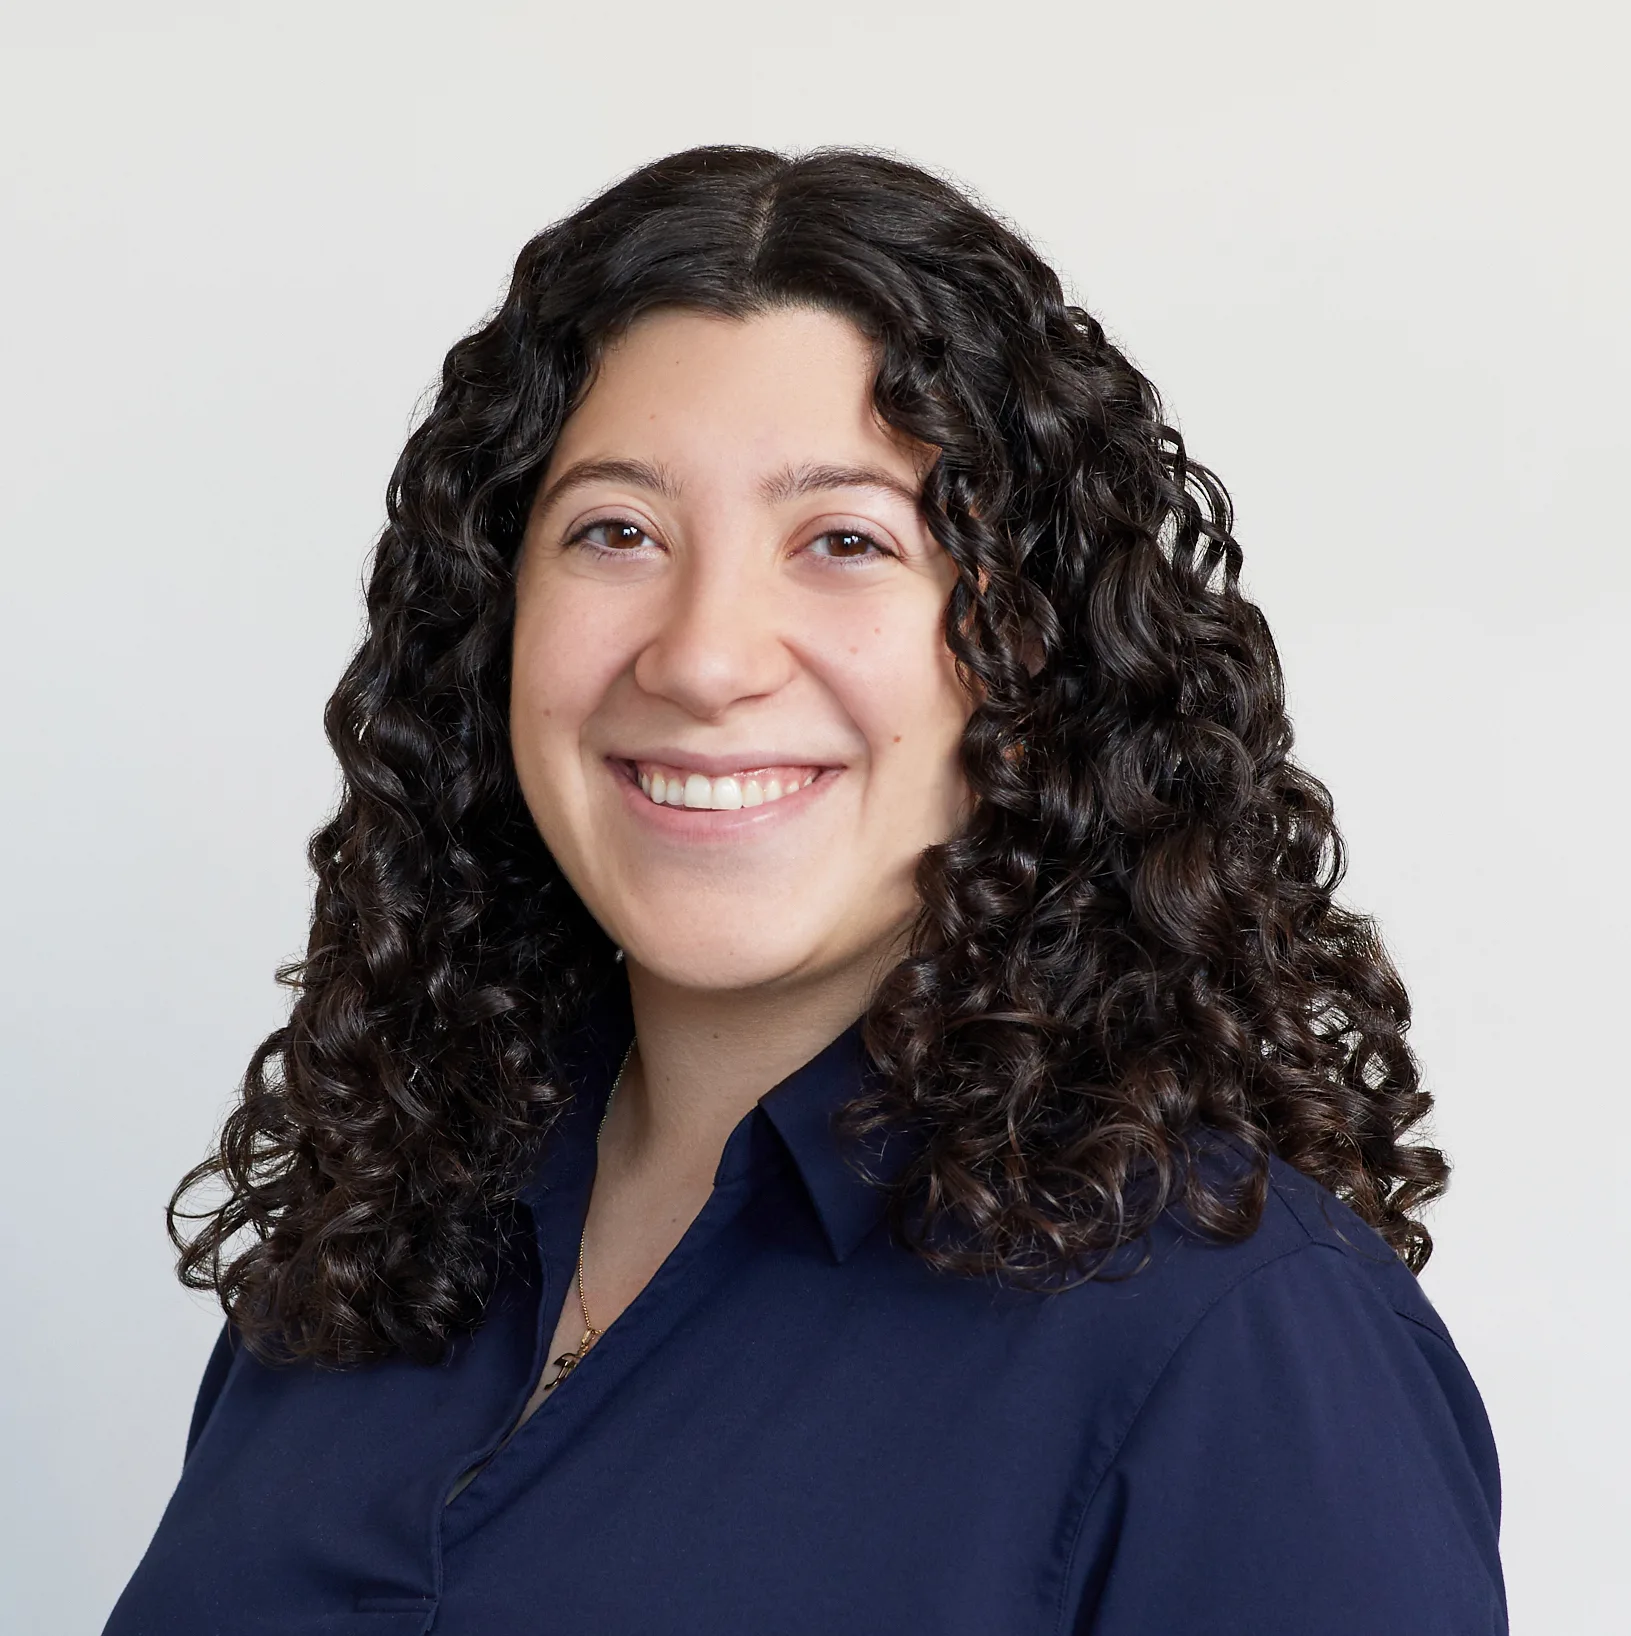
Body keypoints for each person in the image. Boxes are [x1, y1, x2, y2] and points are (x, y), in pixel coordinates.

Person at [105, 146, 1506, 1634]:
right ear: (492, 628)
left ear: (1035, 660)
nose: (705, 656)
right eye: (617, 533)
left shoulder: (1241, 1342)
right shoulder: (375, 1245)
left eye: (845, 541)